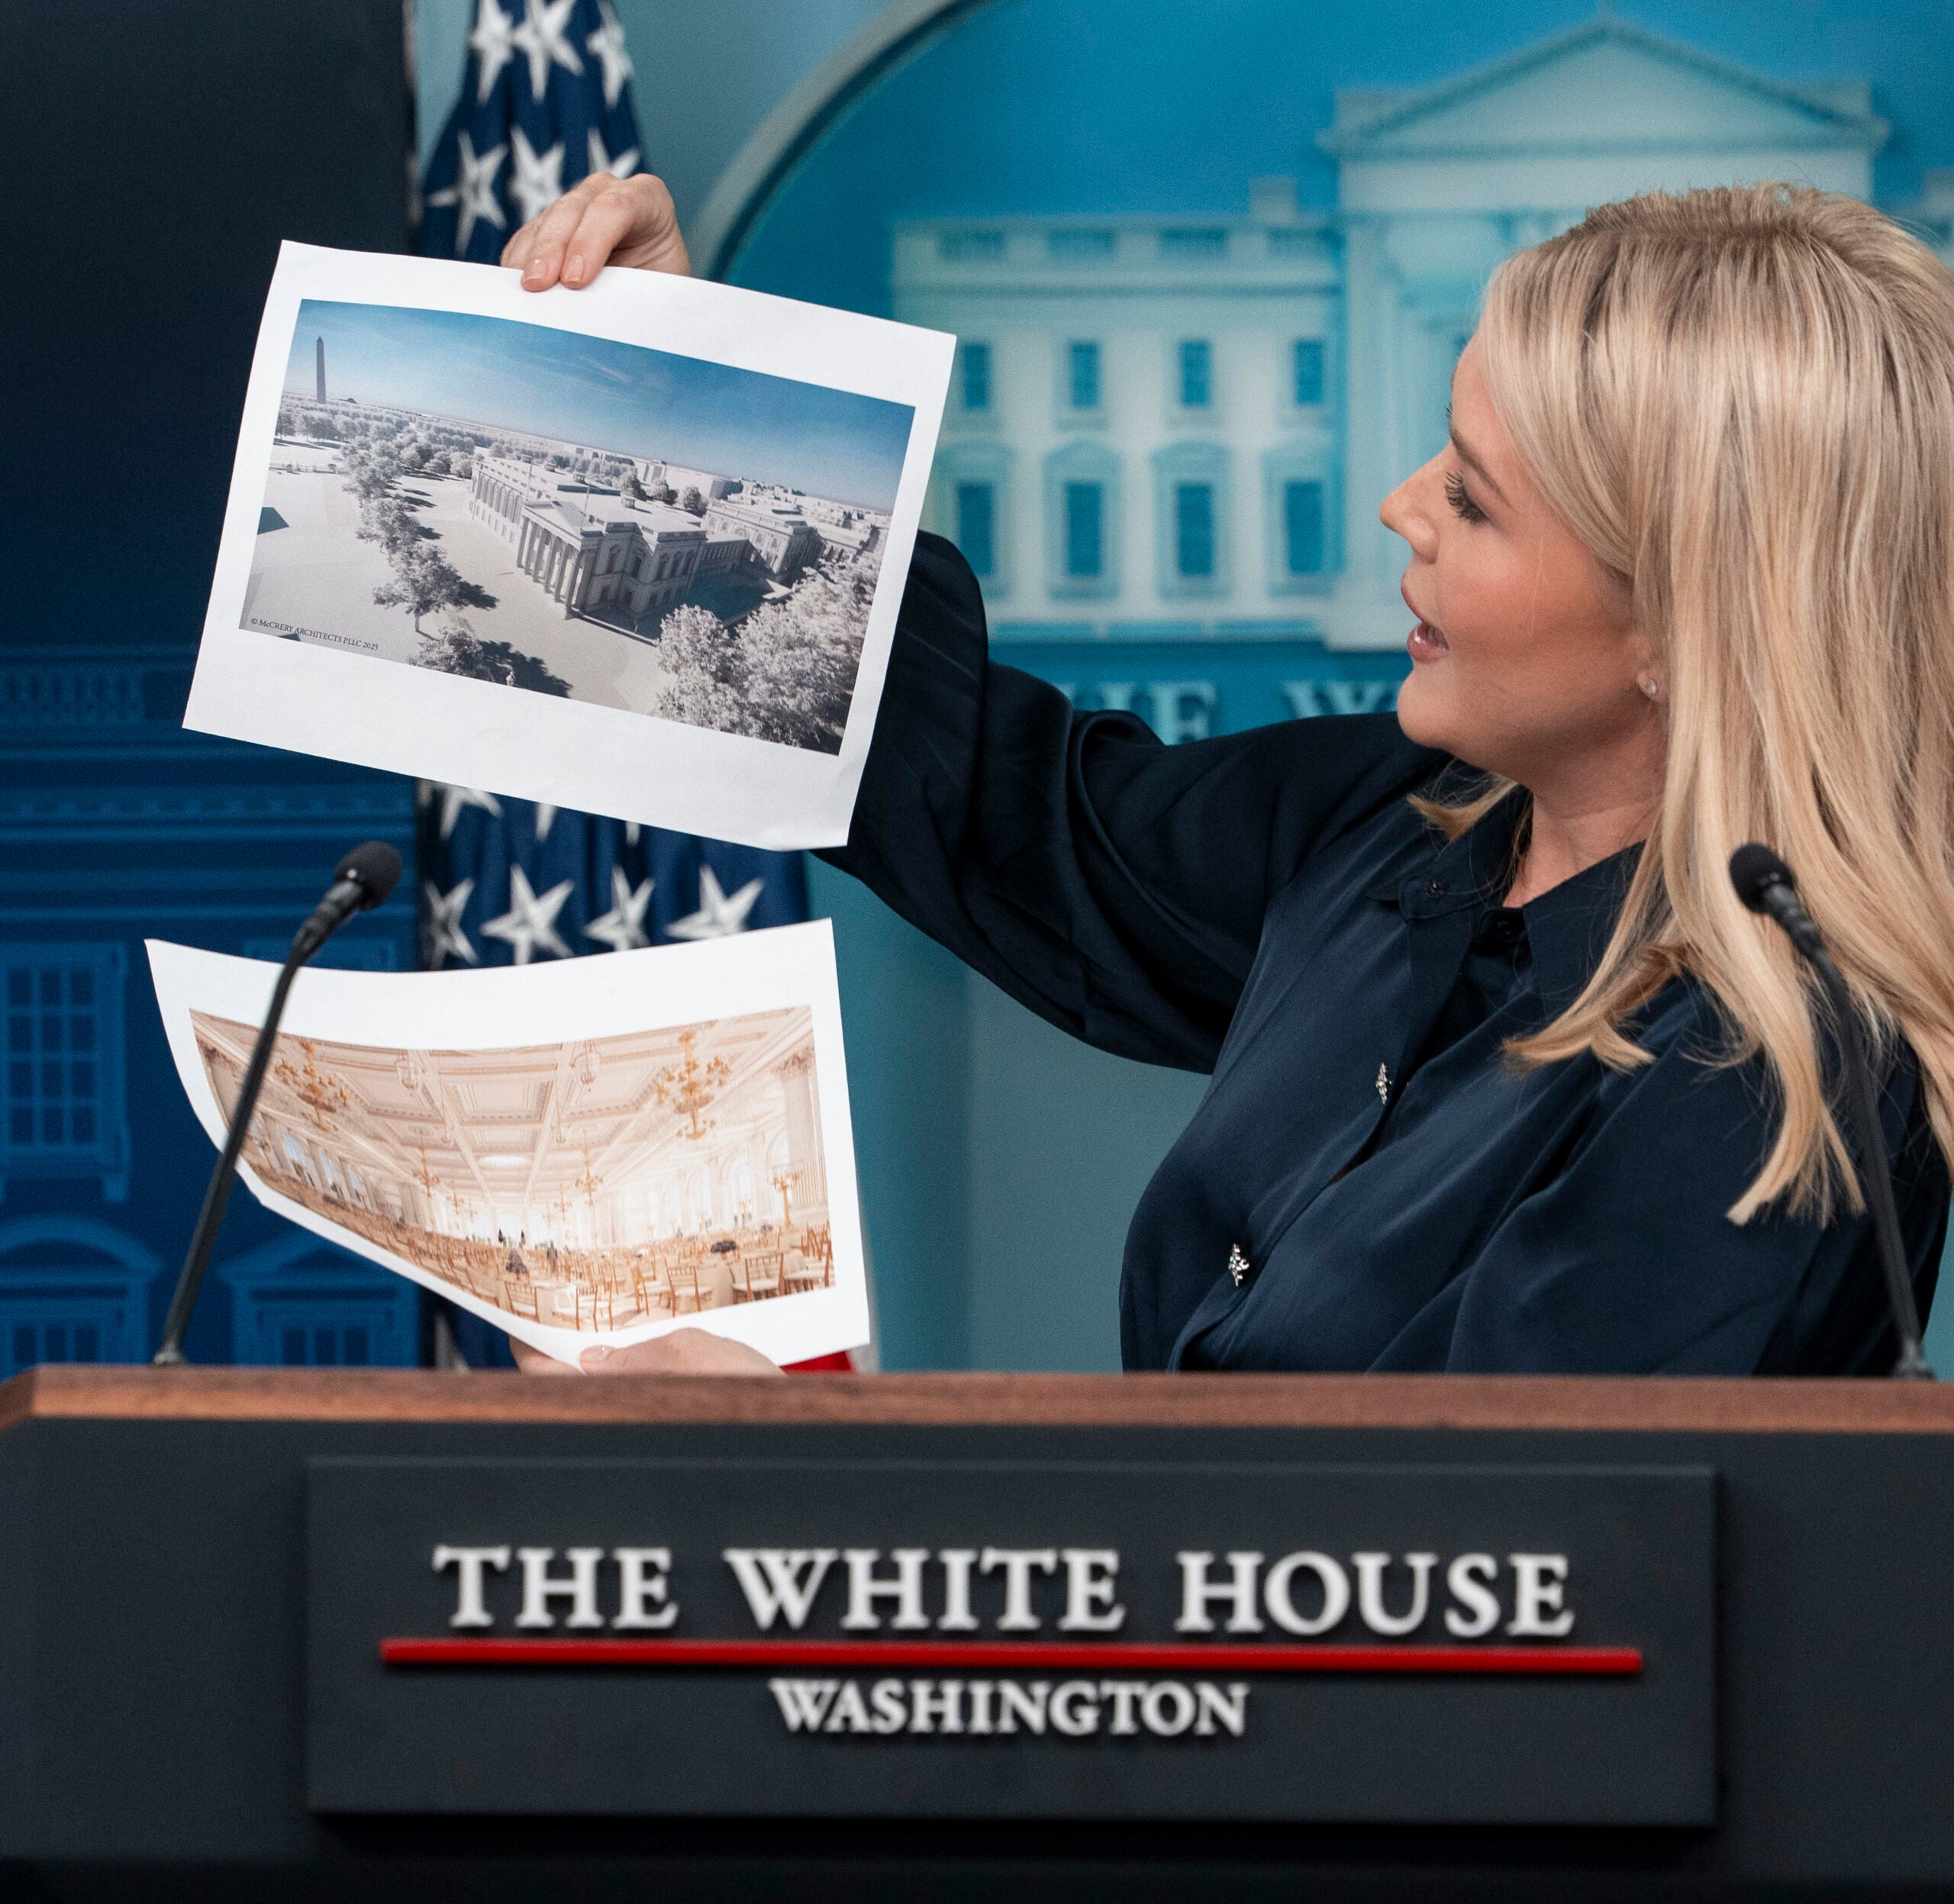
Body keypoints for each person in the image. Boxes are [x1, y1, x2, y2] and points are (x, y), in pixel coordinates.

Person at [505, 173, 1954, 1380]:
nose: (1401, 508)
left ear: (1678, 626)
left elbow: (1437, 1588)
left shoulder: (1772, 1076)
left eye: (1470, 495)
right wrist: (692, 401)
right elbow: (1024, 817)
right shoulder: (1400, 821)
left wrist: (828, 1478)